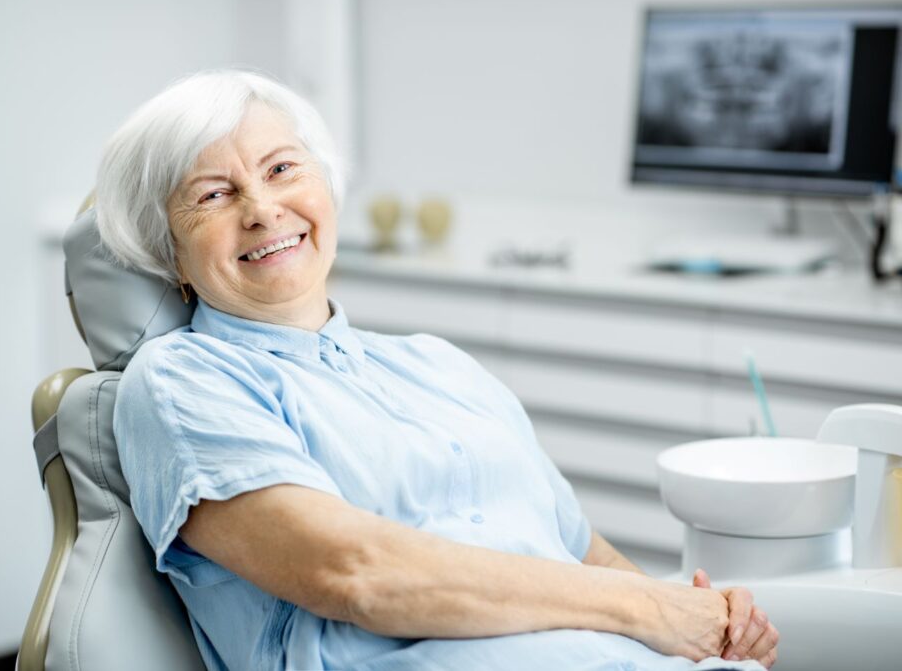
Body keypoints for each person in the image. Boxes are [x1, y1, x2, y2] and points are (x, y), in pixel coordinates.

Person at [98, 70, 779, 671]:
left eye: (281, 169)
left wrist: (703, 625)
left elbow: (580, 549)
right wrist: (640, 605)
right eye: (213, 195)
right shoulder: (183, 380)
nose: (261, 208)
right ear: (172, 256)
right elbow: (358, 573)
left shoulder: (437, 363)